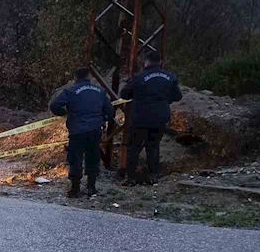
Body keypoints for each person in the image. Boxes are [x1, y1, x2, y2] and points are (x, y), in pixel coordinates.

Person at [50, 67, 116, 198]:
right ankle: (91, 187)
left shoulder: (70, 91)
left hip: (77, 131)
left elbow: (54, 106)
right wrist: (103, 118)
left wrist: (65, 113)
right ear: (89, 77)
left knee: (76, 159)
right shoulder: (100, 91)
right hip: (94, 130)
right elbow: (110, 111)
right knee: (93, 158)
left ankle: (75, 189)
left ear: (76, 77)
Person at [120, 51, 183, 185]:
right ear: (160, 62)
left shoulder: (138, 77)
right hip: (160, 117)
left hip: (140, 117)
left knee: (134, 147)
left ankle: (130, 178)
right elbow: (178, 96)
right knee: (153, 146)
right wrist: (165, 100)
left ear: (146, 62)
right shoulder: (170, 77)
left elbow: (124, 94)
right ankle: (153, 176)